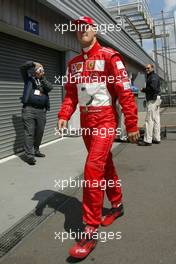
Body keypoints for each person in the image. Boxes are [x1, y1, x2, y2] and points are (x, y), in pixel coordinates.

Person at [57, 16, 139, 259]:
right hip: (86, 124)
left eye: (86, 27)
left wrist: (132, 124)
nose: (82, 31)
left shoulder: (109, 56)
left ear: (95, 30)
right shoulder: (73, 64)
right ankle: (117, 205)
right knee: (105, 164)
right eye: (78, 29)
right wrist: (64, 114)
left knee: (92, 169)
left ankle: (89, 229)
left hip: (105, 121)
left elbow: (124, 92)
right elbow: (71, 94)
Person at [20, 61, 53, 165]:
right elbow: (22, 68)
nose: (39, 71)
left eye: (41, 70)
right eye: (38, 70)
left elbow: (50, 88)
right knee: (29, 132)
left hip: (41, 111)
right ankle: (29, 155)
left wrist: (42, 77)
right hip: (29, 109)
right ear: (34, 71)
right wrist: (34, 64)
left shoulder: (44, 81)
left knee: (40, 131)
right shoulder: (28, 79)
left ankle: (36, 150)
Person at [138, 64, 161, 146]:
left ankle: (147, 140)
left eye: (148, 68)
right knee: (156, 119)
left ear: (152, 68)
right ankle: (156, 138)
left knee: (149, 120)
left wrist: (143, 90)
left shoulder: (153, 77)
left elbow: (153, 88)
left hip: (152, 100)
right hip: (156, 100)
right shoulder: (152, 76)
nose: (146, 69)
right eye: (145, 68)